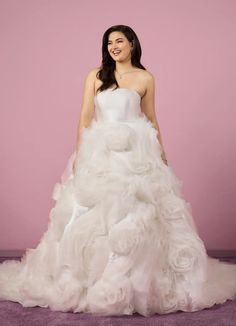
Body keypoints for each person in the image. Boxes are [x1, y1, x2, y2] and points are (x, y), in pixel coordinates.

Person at [0, 24, 236, 317]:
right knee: (89, 216)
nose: (114, 46)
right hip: (101, 152)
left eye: (119, 41)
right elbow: (85, 117)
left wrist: (162, 154)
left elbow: (151, 119)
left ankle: (138, 282)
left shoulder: (145, 78)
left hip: (136, 153)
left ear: (132, 44)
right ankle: (88, 280)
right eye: (109, 42)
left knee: (139, 212)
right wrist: (80, 155)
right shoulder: (96, 76)